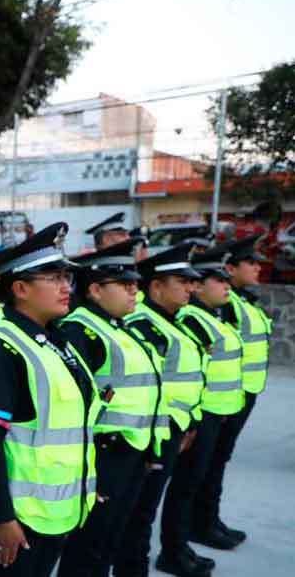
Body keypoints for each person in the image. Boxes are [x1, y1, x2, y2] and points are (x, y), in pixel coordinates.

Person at [0, 223, 99, 577]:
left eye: (66, 277)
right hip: (17, 519)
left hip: (55, 511)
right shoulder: (0, 348)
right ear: (20, 288)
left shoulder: (54, 341)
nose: (66, 286)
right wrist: (1, 516)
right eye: (53, 278)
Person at [55, 238, 164, 577]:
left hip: (130, 451)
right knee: (90, 547)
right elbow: (73, 405)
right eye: (124, 284)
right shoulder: (81, 330)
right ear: (96, 290)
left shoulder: (119, 326)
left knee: (110, 541)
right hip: (103, 454)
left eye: (135, 284)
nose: (135, 291)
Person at [113, 243, 209, 577]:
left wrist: (191, 420)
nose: (190, 287)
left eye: (191, 281)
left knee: (145, 511)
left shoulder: (173, 321)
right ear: (156, 286)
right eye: (181, 281)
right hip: (153, 432)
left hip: (173, 428)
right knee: (138, 514)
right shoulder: (145, 325)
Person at [156, 244, 246, 576]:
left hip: (211, 410)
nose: (225, 286)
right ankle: (174, 549)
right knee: (185, 484)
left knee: (196, 481)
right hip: (197, 413)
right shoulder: (190, 318)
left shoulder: (209, 315)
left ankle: (182, 544)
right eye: (216, 280)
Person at [188, 235, 270, 549]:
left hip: (241, 392)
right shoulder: (225, 304)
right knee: (206, 465)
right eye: (250, 262)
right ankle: (201, 523)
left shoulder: (242, 300)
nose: (257, 267)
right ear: (232, 268)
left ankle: (210, 518)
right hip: (221, 397)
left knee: (218, 462)